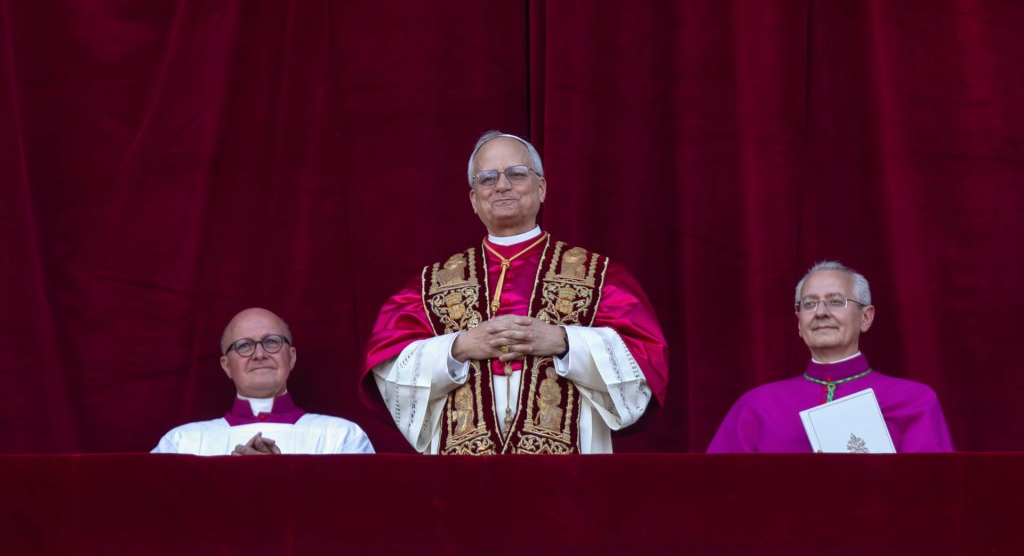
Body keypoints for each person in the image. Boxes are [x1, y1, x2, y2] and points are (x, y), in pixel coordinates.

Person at [362, 131, 669, 454]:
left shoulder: (601, 277)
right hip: (463, 472)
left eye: (516, 174)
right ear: (473, 200)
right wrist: (459, 347)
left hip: (567, 472)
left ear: (542, 188)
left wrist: (565, 342)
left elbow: (644, 359)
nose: (502, 185)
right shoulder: (430, 285)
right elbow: (388, 370)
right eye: (487, 178)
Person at [707, 261, 954, 453]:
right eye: (809, 304)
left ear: (866, 317)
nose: (821, 312)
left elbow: (935, 495)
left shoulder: (914, 402)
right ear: (799, 323)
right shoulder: (756, 407)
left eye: (836, 301)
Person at [153, 307, 374, 455]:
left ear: (291, 357)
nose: (259, 354)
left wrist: (281, 478)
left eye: (272, 342)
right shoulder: (181, 444)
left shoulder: (342, 438)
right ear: (227, 366)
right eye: (244, 346)